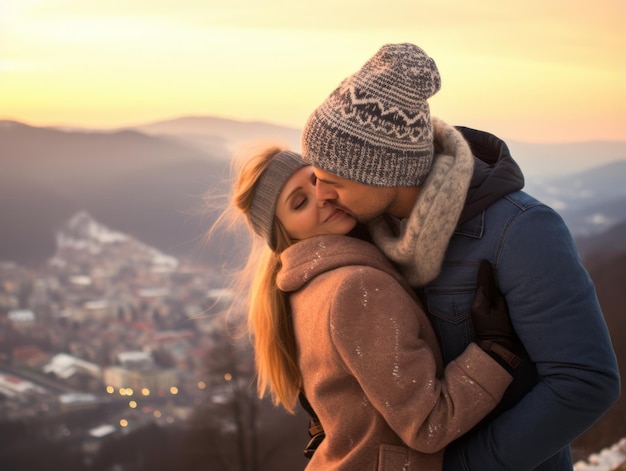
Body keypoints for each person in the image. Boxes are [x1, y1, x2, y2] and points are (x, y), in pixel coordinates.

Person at [301, 43, 621, 471]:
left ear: (383, 171)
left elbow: (585, 381)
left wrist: (467, 466)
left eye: (332, 179)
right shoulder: (372, 234)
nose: (322, 195)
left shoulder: (520, 231)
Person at [224, 146, 522, 470]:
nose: (321, 196)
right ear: (287, 234)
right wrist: (496, 350)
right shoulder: (357, 287)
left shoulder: (303, 292)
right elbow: (428, 424)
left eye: (316, 180)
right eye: (300, 202)